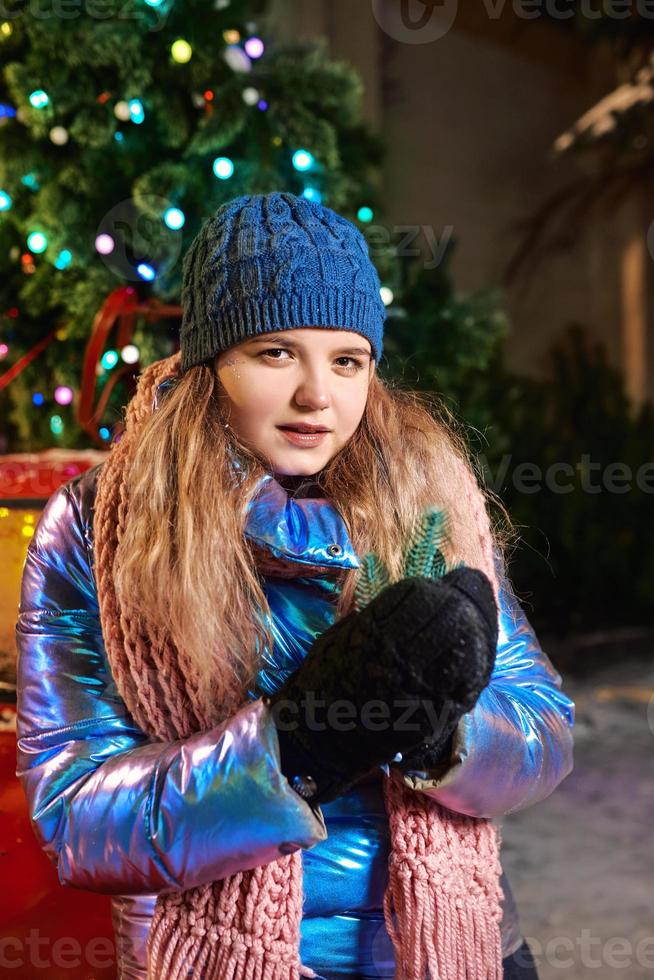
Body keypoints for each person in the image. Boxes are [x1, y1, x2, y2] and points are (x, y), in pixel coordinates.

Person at [15, 191, 574, 980]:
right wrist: (298, 745)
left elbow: (546, 732)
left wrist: (448, 731)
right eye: (276, 353)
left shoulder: (430, 496)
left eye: (347, 360)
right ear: (212, 362)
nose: (319, 395)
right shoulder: (102, 525)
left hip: (451, 948)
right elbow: (76, 818)